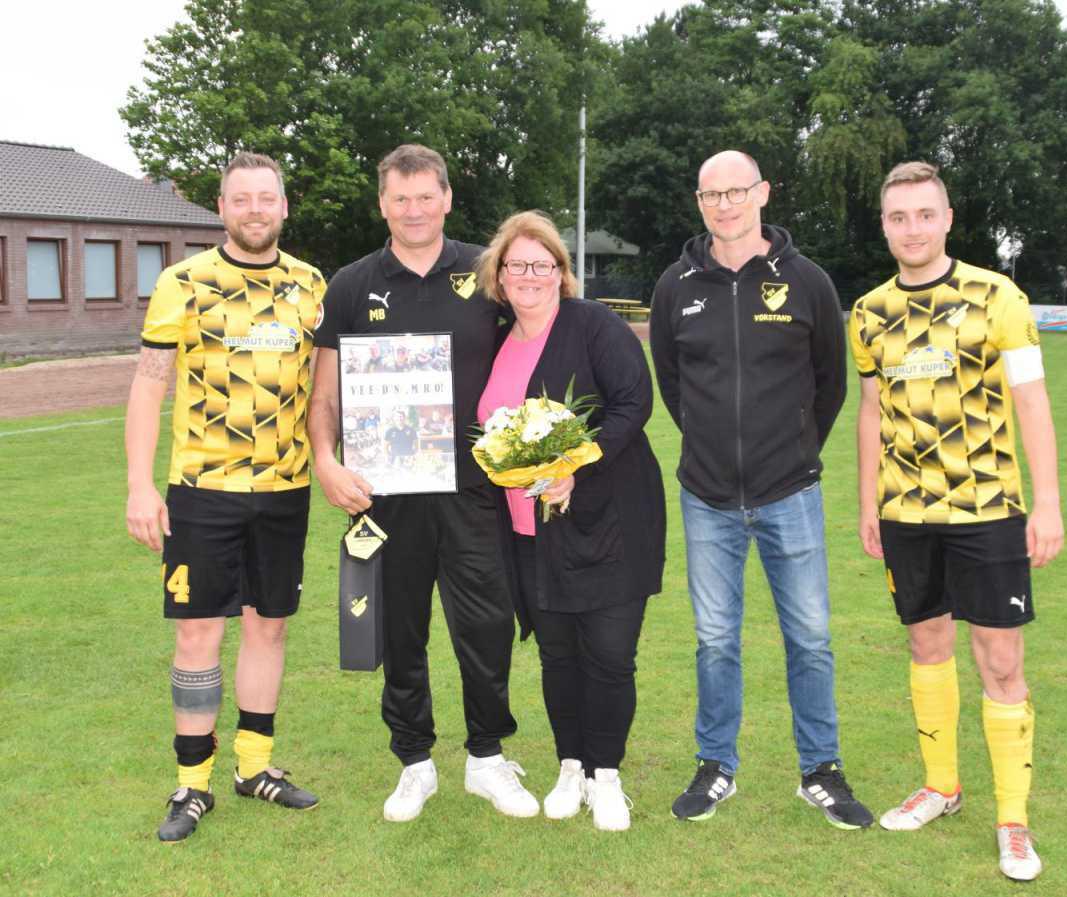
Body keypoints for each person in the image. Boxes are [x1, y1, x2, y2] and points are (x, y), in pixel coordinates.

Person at [309, 144, 536, 821]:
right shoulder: (351, 283)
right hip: (385, 492)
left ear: (446, 199)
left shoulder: (486, 270)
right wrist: (326, 459)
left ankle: (488, 758)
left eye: (424, 196)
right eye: (399, 198)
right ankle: (414, 762)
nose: (413, 209)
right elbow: (326, 394)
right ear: (383, 204)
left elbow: (532, 350)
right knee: (400, 631)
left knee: (487, 624)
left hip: (475, 489)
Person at [851, 161, 1064, 881]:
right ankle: (942, 786)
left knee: (1001, 662)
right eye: (898, 216)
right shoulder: (869, 311)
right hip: (906, 513)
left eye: (924, 214)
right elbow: (871, 410)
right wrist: (867, 502)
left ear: (946, 218)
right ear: (884, 225)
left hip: (989, 510)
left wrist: (1049, 502)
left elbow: (1032, 401)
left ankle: (1013, 820)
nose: (912, 228)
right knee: (927, 646)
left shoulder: (996, 295)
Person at [650, 150, 873, 829]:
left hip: (791, 492)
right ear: (699, 201)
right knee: (716, 638)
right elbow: (673, 385)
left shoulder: (807, 282)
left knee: (809, 637)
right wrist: (715, 450)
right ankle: (716, 764)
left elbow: (830, 384)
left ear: (763, 194)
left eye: (736, 191)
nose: (725, 204)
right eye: (712, 194)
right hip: (707, 495)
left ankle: (821, 770)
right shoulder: (675, 285)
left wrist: (795, 449)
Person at [125, 152, 325, 843]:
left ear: (284, 206)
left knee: (269, 626)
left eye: (265, 199)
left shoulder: (310, 285)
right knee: (198, 632)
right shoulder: (183, 282)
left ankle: (254, 766)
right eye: (241, 199)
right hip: (201, 491)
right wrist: (138, 484)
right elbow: (149, 386)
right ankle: (194, 781)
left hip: (284, 491)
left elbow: (326, 389)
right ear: (222, 207)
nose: (254, 210)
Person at [475, 211, 666, 831]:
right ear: (499, 278)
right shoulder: (495, 337)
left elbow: (634, 401)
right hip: (531, 532)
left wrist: (577, 468)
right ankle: (570, 765)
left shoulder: (593, 325)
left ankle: (606, 776)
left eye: (542, 264)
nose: (528, 276)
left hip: (609, 520)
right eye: (515, 265)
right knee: (557, 657)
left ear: (561, 272)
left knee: (609, 655)